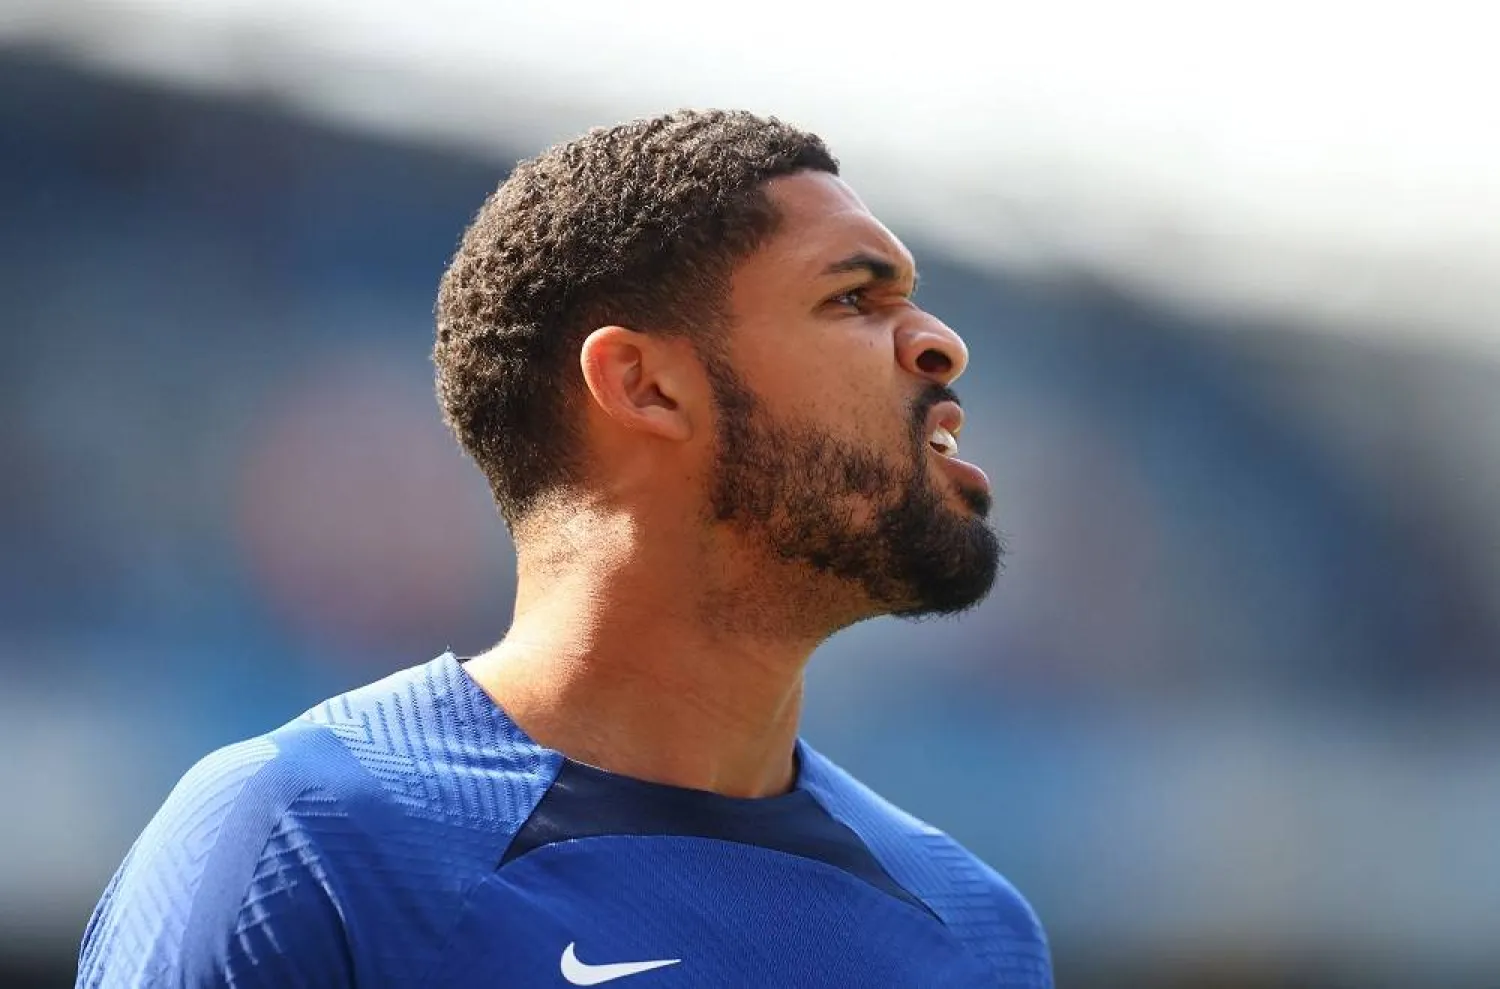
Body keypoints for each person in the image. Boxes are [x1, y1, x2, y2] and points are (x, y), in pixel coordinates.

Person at [77, 109, 1052, 988]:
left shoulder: (976, 928)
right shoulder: (305, 846)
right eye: (854, 298)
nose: (939, 344)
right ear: (644, 383)